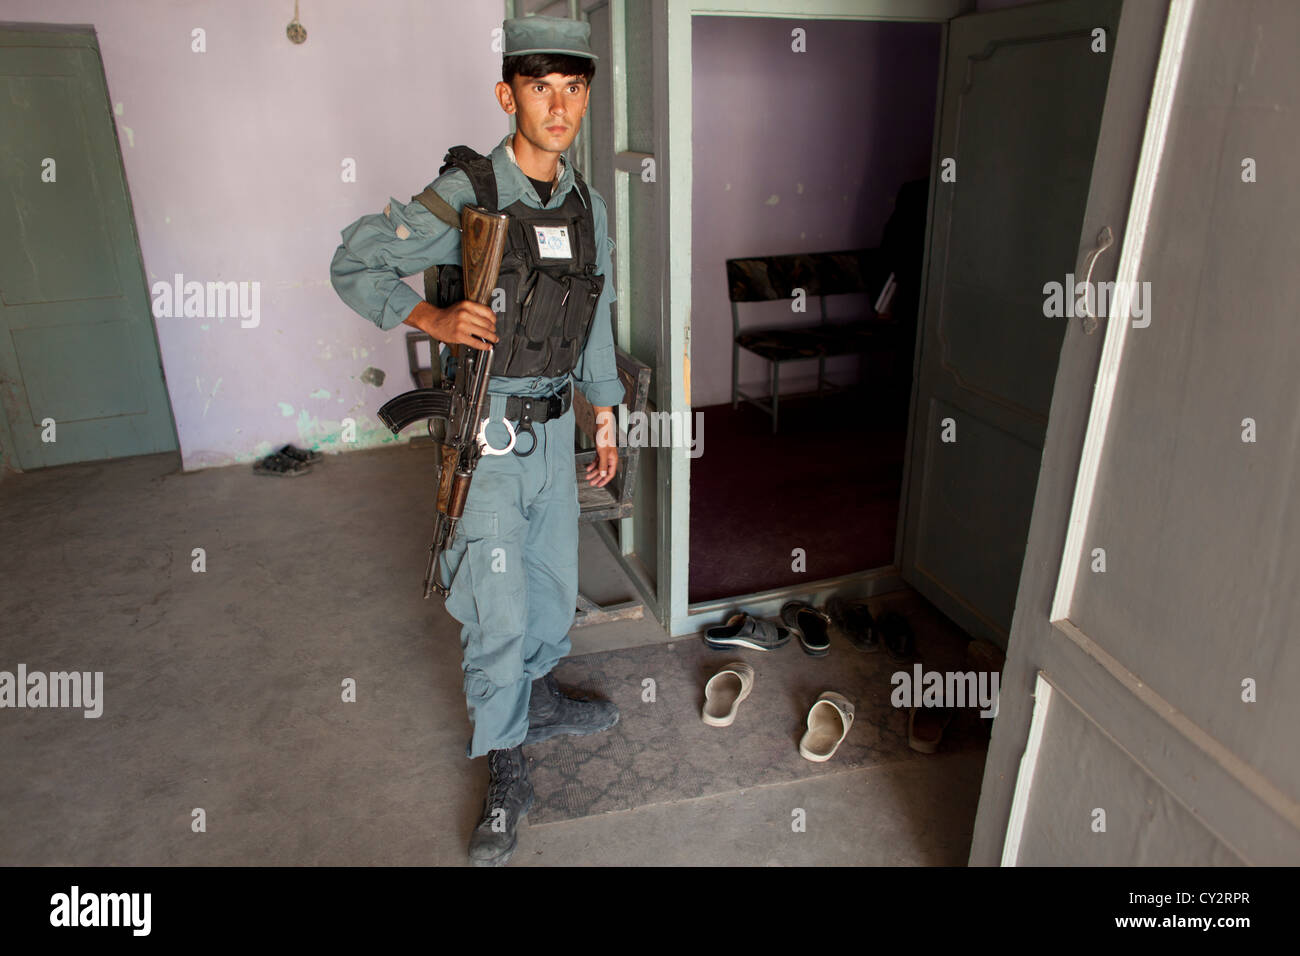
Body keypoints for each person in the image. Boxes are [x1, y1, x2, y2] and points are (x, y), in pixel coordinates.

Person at [329, 14, 624, 866]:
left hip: (557, 427)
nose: (559, 105)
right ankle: (506, 766)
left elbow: (594, 310)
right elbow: (356, 264)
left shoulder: (589, 203)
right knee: (495, 609)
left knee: (549, 582)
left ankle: (539, 695)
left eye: (573, 88)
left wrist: (602, 410)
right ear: (508, 95)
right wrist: (431, 315)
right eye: (541, 87)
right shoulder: (467, 194)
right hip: (488, 438)